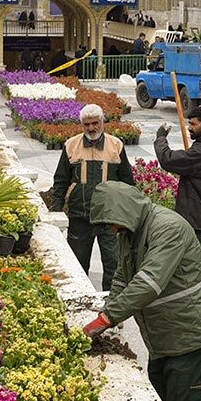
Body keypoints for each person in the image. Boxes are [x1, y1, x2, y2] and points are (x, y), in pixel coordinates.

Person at [84, 182, 201, 401]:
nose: (110, 230)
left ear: (123, 211)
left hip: (192, 341)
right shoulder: (130, 232)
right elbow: (122, 276)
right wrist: (109, 308)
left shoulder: (168, 228)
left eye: (110, 222)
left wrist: (107, 318)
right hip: (163, 341)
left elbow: (149, 283)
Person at [154, 105, 201, 314]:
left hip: (200, 216)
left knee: (193, 262)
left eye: (194, 124)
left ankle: (197, 307)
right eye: (189, 123)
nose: (190, 127)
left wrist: (161, 138)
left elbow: (168, 160)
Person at [50, 104, 136, 291]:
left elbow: (128, 182)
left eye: (95, 123)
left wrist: (129, 214)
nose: (91, 128)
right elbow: (60, 180)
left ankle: (110, 308)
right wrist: (56, 210)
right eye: (86, 124)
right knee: (78, 264)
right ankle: (79, 299)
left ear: (102, 122)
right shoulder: (71, 145)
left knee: (113, 264)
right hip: (80, 215)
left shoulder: (116, 145)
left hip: (109, 219)